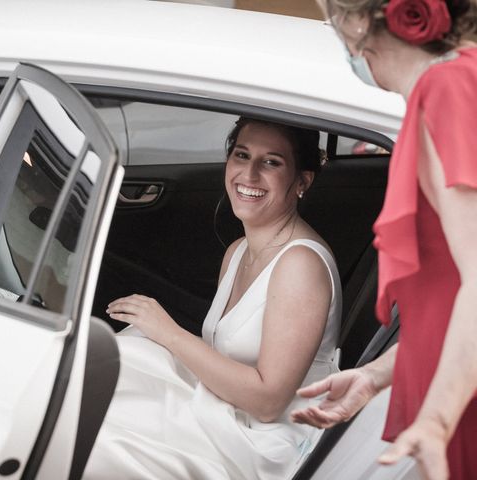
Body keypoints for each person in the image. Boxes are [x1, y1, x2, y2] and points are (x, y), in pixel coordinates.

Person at [82, 118, 342, 479]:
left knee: (104, 440)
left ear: (302, 181)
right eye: (241, 155)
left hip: (265, 441)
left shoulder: (300, 265)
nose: (248, 175)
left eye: (271, 162)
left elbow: (268, 404)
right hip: (229, 409)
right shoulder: (238, 251)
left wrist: (169, 333)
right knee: (113, 370)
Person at [290, 1, 477, 479]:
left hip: (457, 404)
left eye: (332, 13)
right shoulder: (453, 84)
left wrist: (437, 418)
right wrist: (374, 376)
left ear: (359, 19)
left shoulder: (448, 89)